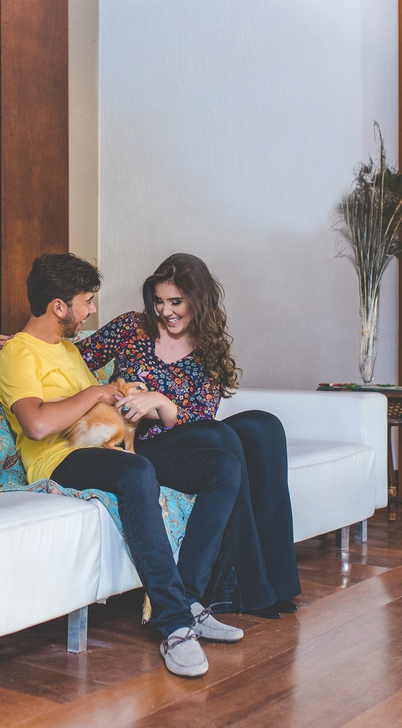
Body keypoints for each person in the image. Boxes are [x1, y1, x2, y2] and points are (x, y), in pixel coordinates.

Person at [0, 253, 245, 678]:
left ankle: (190, 599)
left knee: (223, 468)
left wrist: (116, 395)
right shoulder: (21, 353)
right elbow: (36, 424)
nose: (91, 310)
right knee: (138, 473)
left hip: (107, 448)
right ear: (60, 307)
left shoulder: (71, 351)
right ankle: (174, 624)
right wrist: (95, 393)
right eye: (87, 301)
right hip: (59, 460)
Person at [74, 253, 301, 617]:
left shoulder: (207, 346)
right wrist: (28, 343)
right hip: (140, 444)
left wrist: (160, 401)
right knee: (220, 438)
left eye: (176, 302)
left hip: (185, 437)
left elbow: (200, 417)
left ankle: (277, 582)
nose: (166, 312)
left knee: (264, 427)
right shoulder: (132, 327)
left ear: (199, 299)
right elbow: (75, 356)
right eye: (160, 302)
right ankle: (246, 586)